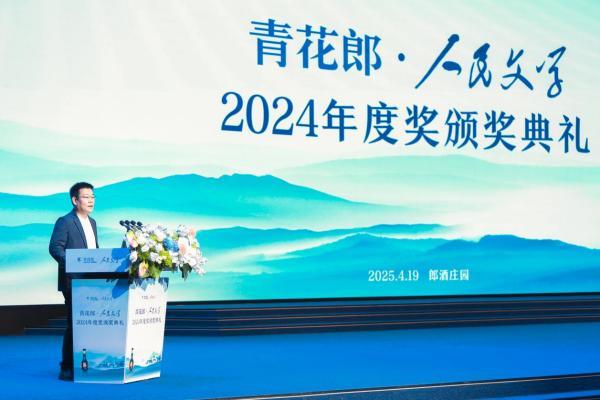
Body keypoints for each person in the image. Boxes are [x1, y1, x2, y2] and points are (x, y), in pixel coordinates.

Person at [49, 182, 99, 381]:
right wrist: (74, 263)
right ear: (75, 200)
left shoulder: (92, 222)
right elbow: (55, 248)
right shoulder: (65, 221)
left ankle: (85, 362)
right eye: (86, 197)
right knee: (74, 324)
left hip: (93, 282)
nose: (91, 201)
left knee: (89, 324)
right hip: (74, 282)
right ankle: (66, 367)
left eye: (93, 197)